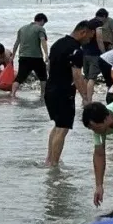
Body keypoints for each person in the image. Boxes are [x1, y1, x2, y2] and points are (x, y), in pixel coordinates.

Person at [45, 21, 94, 167]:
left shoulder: (58, 43)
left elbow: (49, 66)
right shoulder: (76, 50)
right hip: (64, 92)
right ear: (83, 32)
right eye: (89, 37)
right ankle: (54, 165)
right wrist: (85, 97)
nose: (89, 40)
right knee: (63, 128)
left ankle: (49, 159)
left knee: (57, 126)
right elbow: (77, 76)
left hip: (50, 89)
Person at [11, 13, 49, 98]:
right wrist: (46, 54)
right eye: (44, 22)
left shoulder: (22, 29)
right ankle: (42, 95)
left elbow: (17, 43)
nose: (43, 24)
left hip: (23, 57)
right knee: (43, 77)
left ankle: (12, 94)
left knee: (19, 77)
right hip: (36, 58)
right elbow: (43, 41)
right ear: (42, 20)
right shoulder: (40, 29)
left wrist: (13, 55)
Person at [83, 9, 110, 102]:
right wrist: (104, 53)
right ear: (104, 17)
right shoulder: (98, 24)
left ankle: (84, 99)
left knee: (86, 77)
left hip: (85, 53)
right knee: (92, 78)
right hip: (94, 54)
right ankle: (89, 100)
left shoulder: (88, 23)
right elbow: (99, 39)